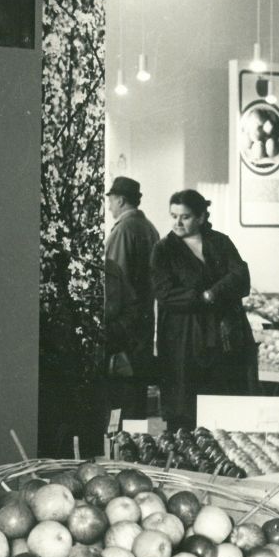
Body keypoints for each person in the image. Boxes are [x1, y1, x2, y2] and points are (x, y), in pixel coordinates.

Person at [150, 189, 258, 432]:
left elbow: (241, 276)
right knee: (186, 403)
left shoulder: (220, 242)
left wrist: (213, 293)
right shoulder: (163, 250)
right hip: (184, 337)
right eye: (173, 216)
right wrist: (205, 296)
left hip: (224, 335)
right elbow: (165, 294)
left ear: (200, 217)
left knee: (225, 400)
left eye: (185, 217)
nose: (178, 223)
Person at [103, 176, 160, 418]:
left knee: (121, 397)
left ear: (121, 200)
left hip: (125, 330)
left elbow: (115, 282)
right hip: (144, 324)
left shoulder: (123, 231)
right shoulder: (150, 229)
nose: (109, 207)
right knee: (137, 397)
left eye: (111, 200)